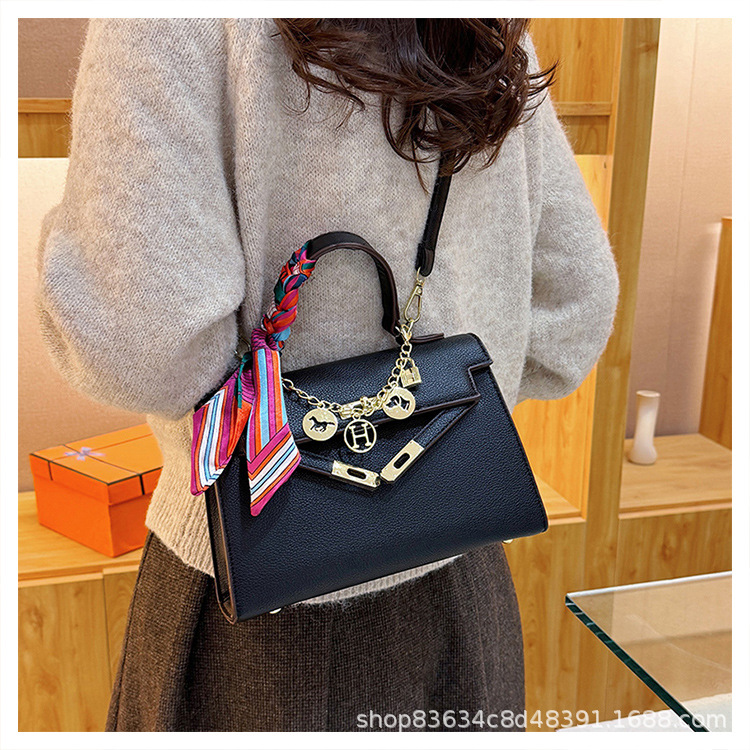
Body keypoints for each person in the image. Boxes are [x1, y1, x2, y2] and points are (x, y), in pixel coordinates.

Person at [35, 18, 619, 732]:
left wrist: (68, 239)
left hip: (253, 591)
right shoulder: (489, 30)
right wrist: (431, 399)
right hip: (460, 577)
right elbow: (573, 310)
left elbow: (144, 345)